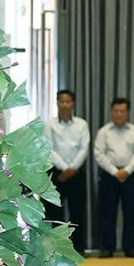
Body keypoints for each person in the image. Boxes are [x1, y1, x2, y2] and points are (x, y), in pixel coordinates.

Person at [93, 97, 134, 258]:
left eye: (122, 111)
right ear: (111, 112)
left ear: (128, 112)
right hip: (109, 176)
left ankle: (130, 247)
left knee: (131, 212)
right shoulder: (104, 131)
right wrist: (115, 171)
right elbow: (98, 154)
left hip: (129, 175)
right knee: (108, 213)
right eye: (116, 111)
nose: (119, 114)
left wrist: (127, 170)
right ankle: (108, 247)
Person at [44, 90, 91, 253]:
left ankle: (78, 248)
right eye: (61, 101)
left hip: (76, 172)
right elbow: (49, 148)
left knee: (77, 212)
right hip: (56, 173)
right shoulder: (49, 124)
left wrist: (72, 169)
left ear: (73, 104)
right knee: (55, 212)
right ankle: (57, 249)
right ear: (57, 103)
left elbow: (84, 148)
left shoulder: (82, 124)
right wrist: (64, 168)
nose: (65, 105)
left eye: (68, 102)